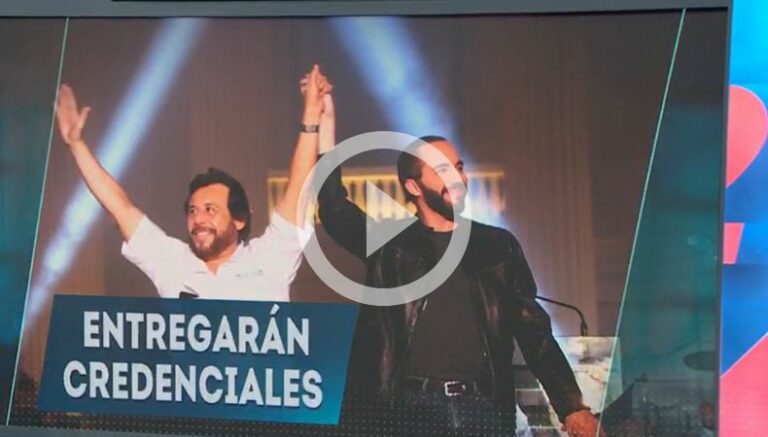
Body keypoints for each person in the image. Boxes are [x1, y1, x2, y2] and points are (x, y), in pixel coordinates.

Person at [314, 100, 601, 436]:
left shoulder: (496, 246)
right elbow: (334, 209)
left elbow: (534, 333)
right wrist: (324, 131)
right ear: (414, 187)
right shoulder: (390, 246)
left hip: (483, 409)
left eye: (459, 167)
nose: (458, 178)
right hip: (408, 411)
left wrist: (571, 406)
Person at [55, 65, 332, 301]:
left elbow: (298, 187)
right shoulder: (173, 262)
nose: (198, 219)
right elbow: (120, 207)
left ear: (239, 220)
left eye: (210, 210)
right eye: (193, 210)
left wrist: (311, 112)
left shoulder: (270, 257)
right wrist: (76, 145)